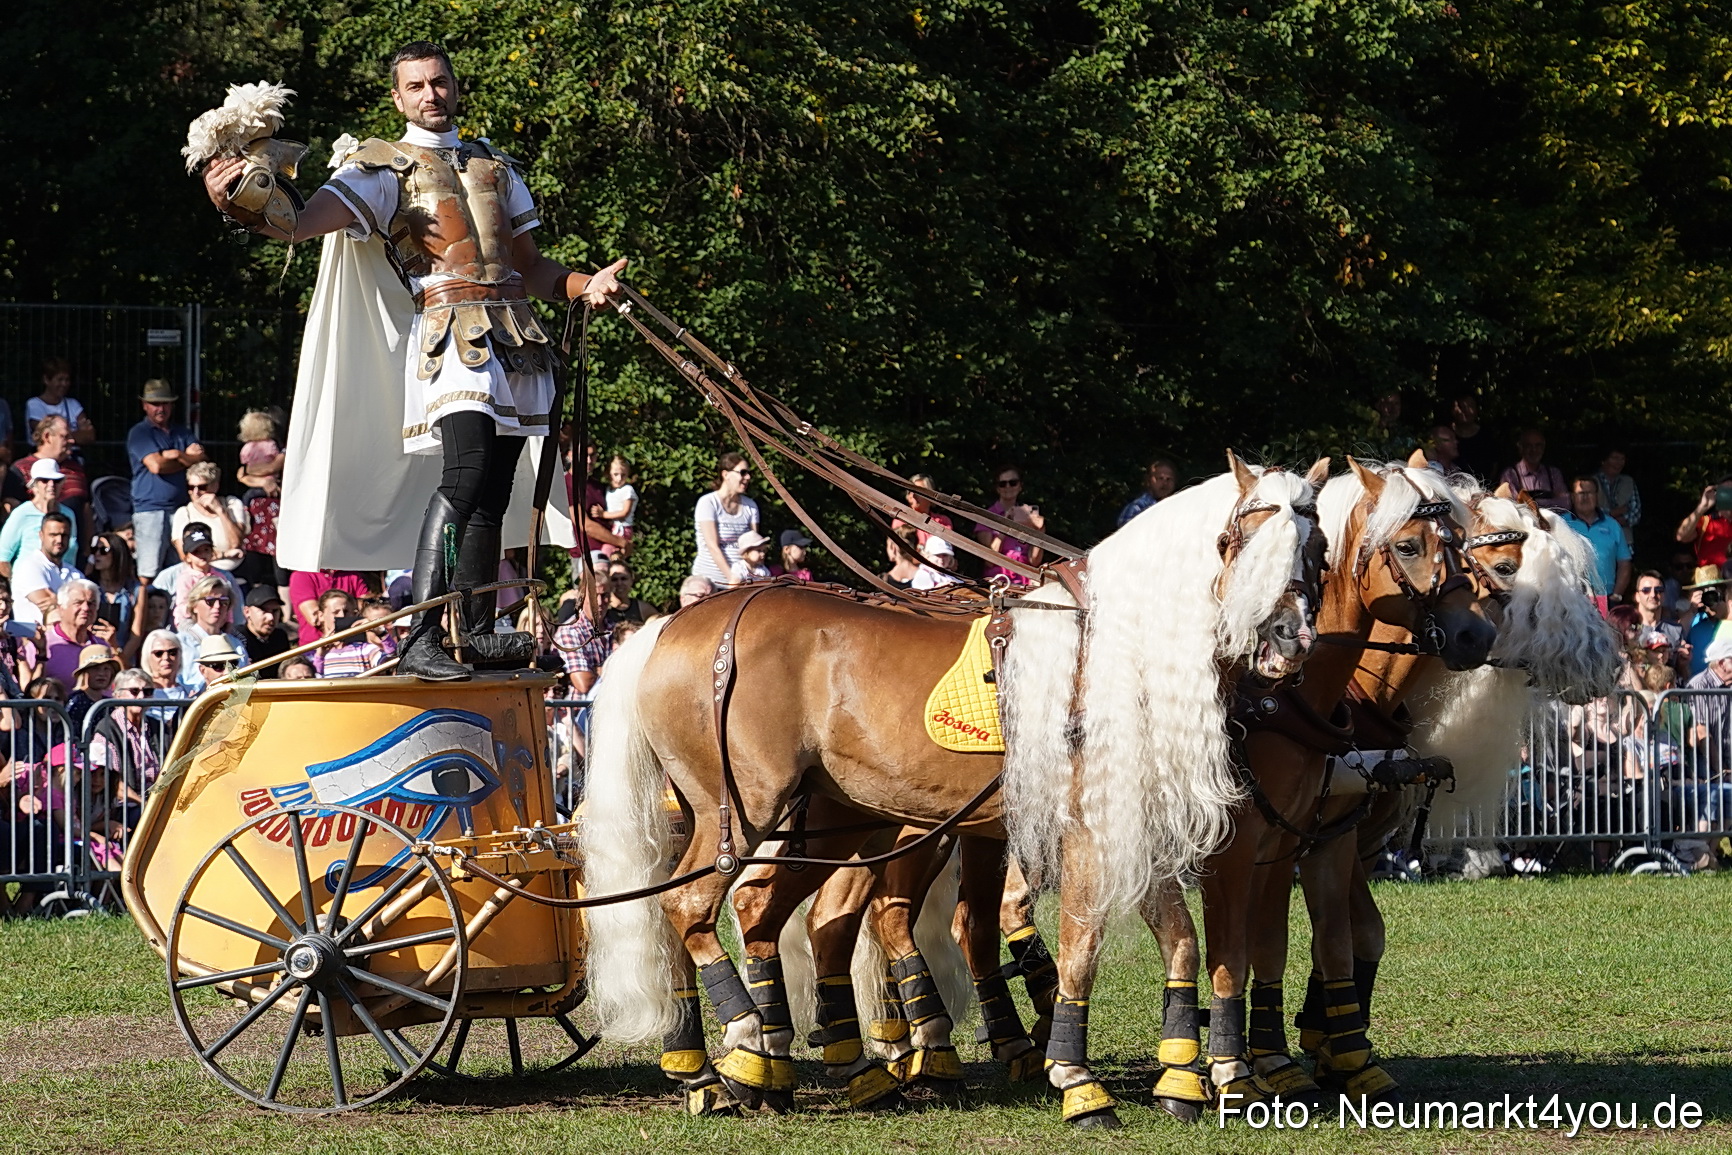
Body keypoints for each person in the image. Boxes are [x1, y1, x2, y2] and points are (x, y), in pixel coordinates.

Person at [199, 40, 627, 679]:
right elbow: (297, 222)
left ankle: (475, 630)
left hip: (516, 337)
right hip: (450, 336)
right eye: (417, 86)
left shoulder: (497, 168)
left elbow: (533, 268)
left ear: (455, 86)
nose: (432, 94)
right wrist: (238, 198)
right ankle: (424, 632)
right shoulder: (380, 167)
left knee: (493, 490)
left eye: (440, 82)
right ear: (398, 97)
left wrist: (585, 283)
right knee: (464, 477)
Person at [126, 378, 205, 581]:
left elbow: (201, 461)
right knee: (148, 573)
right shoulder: (139, 433)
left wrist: (175, 455)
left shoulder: (183, 432)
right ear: (145, 405)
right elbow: (156, 466)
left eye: (165, 403)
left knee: (183, 571)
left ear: (172, 405)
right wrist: (186, 458)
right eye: (155, 403)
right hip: (150, 510)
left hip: (182, 510)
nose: (161, 408)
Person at [13, 415, 89, 546]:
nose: (72, 440)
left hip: (73, 551)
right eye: (65, 436)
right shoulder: (21, 469)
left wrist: (88, 551)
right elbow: (12, 511)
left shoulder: (76, 469)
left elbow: (86, 509)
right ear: (47, 436)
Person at [0, 459, 80, 577]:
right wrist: (17, 586)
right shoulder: (22, 513)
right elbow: (3, 558)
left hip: (64, 586)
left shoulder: (68, 514)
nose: (51, 485)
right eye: (45, 480)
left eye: (56, 481)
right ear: (34, 485)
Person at [692, 452, 760, 586]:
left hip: (742, 581)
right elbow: (712, 546)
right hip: (710, 582)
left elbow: (754, 546)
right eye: (743, 472)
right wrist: (732, 578)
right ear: (725, 474)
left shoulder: (750, 506)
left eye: (749, 473)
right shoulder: (708, 503)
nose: (748, 477)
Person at [1561, 475, 1631, 604]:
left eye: (1590, 493)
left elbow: (1624, 563)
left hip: (1605, 598)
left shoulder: (1612, 525)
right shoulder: (1561, 524)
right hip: (1570, 598)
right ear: (1572, 497)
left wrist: (1617, 595)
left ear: (1597, 496)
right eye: (1581, 493)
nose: (1585, 497)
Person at [170, 462, 249, 572]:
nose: (196, 493)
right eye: (191, 487)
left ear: (215, 486)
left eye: (202, 487)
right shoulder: (184, 513)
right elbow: (185, 556)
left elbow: (236, 543)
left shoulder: (232, 504)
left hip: (238, 570)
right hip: (203, 573)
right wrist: (224, 554)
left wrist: (221, 511)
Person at [167, 524, 244, 630]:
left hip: (217, 620)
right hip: (189, 620)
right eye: (196, 552)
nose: (202, 554)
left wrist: (229, 622)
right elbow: (183, 605)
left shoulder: (220, 576)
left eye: (206, 550)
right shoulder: (185, 578)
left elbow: (227, 602)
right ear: (188, 557)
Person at [977, 465, 1045, 585]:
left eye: (1013, 483)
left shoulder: (1027, 515)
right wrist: (1006, 526)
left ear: (1020, 486)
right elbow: (989, 561)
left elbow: (1034, 561)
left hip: (1025, 579)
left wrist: (1040, 532)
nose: (1008, 487)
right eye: (1002, 484)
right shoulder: (987, 516)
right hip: (998, 578)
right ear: (997, 488)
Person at [41, 580, 115, 689]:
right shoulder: (44, 643)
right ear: (61, 608)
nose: (86, 608)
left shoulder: (101, 645)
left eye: (91, 603)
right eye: (78, 603)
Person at [12, 513, 81, 626]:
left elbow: (87, 608)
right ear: (41, 535)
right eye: (53, 535)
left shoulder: (75, 574)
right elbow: (50, 611)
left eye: (64, 535)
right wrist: (75, 603)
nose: (59, 540)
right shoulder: (30, 566)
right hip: (32, 639)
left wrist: (57, 601)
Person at [175, 574, 250, 678]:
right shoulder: (181, 643)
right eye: (210, 601)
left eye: (224, 602)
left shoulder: (236, 645)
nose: (217, 606)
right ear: (194, 606)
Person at [552, 586, 614, 694]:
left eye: (604, 596)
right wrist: (616, 670)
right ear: (581, 598)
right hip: (582, 707)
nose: (599, 602)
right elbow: (585, 684)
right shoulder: (570, 631)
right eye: (594, 596)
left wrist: (597, 671)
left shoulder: (615, 630)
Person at [287, 568, 372, 646]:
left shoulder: (352, 574)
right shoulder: (301, 576)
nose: (341, 615)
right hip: (315, 646)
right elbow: (315, 619)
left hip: (354, 644)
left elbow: (368, 612)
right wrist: (350, 611)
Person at [28, 357, 96, 450]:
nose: (64, 384)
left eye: (67, 380)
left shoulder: (73, 404)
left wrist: (59, 435)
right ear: (46, 380)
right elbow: (43, 435)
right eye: (60, 380)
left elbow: (89, 436)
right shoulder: (34, 405)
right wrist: (77, 434)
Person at [1498, 429, 1568, 512]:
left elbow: (1566, 503)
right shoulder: (1510, 474)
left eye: (1538, 445)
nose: (1534, 450)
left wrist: (1531, 503)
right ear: (1521, 448)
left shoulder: (1554, 474)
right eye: (1528, 445)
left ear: (1543, 448)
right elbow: (1512, 505)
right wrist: (1550, 503)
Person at [1631, 571, 1686, 675]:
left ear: (1664, 596)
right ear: (1637, 596)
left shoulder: (1676, 630)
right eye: (1646, 590)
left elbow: (1681, 671)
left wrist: (1684, 660)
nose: (1653, 594)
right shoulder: (1628, 629)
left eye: (1658, 590)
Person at [1681, 568, 1732, 678]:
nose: (1709, 596)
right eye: (1703, 592)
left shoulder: (1729, 621)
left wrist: (1724, 611)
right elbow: (1676, 634)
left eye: (1714, 591)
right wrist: (1692, 609)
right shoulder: (1694, 623)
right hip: (1698, 686)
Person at [1676, 475, 1732, 569]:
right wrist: (1702, 507)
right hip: (1710, 581)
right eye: (1725, 492)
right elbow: (1682, 537)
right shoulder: (1705, 522)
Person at [239, 586, 292, 678]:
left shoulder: (280, 637)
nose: (270, 617)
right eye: (263, 610)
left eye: (275, 611)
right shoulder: (236, 639)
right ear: (247, 612)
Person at [65, 644, 120, 732]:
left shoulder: (109, 704)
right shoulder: (76, 700)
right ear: (84, 673)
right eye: (96, 668)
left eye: (106, 669)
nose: (102, 673)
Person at [591, 454, 637, 557]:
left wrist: (603, 514)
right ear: (608, 474)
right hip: (612, 527)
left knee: (608, 552)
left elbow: (625, 512)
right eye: (615, 474)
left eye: (623, 475)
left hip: (623, 528)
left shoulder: (627, 490)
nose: (619, 478)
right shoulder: (609, 490)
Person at [893, 473, 956, 548]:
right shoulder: (900, 520)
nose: (913, 495)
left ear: (930, 496)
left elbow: (946, 551)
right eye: (911, 491)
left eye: (919, 491)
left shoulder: (943, 522)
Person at [141, 628, 201, 705]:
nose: (166, 657)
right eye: (159, 653)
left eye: (172, 652)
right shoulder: (140, 694)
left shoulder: (194, 692)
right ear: (147, 657)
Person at [1595, 448, 1641, 549]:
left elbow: (1636, 513)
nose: (1619, 463)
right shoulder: (1591, 482)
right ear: (1603, 460)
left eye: (1622, 459)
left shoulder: (1628, 481)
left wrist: (1608, 516)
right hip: (1597, 539)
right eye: (1615, 458)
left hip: (1625, 540)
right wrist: (1615, 512)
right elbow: (1591, 512)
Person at [1450, 394, 1499, 482]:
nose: (1466, 411)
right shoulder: (1445, 433)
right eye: (1461, 406)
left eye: (1470, 406)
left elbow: (1494, 464)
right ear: (1453, 410)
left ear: (1476, 410)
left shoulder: (1487, 435)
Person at [235, 410, 284, 496]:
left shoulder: (246, 448)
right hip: (272, 483)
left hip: (253, 484)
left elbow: (244, 467)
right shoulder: (271, 444)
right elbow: (274, 465)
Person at [1117, 459, 1178, 528]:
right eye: (1160, 478)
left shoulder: (1177, 508)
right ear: (1148, 481)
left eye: (1169, 479)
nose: (1165, 483)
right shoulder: (1137, 508)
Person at [600, 561, 657, 630]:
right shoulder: (602, 608)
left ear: (631, 580)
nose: (619, 583)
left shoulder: (643, 608)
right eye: (614, 579)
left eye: (624, 578)